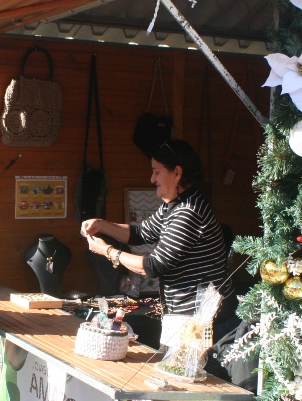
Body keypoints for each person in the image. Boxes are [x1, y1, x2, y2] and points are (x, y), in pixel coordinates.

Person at [81, 138, 234, 334]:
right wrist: (101, 225)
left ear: (177, 173)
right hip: (189, 314)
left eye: (157, 172)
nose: (152, 179)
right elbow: (141, 233)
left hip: (204, 318)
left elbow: (154, 266)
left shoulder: (188, 212)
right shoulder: (174, 204)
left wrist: (107, 251)